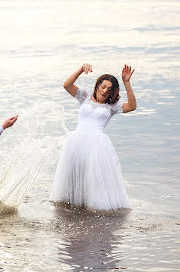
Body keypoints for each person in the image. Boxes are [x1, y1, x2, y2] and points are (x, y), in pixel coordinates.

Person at [51, 64, 136, 210]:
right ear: (97, 86)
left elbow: (132, 106)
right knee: (73, 174)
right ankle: (73, 203)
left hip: (97, 145)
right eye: (103, 86)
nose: (105, 91)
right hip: (76, 142)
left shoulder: (112, 106)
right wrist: (80, 69)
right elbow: (67, 85)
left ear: (112, 93)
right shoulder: (84, 97)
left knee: (94, 177)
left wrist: (126, 82)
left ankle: (92, 206)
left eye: (109, 89)